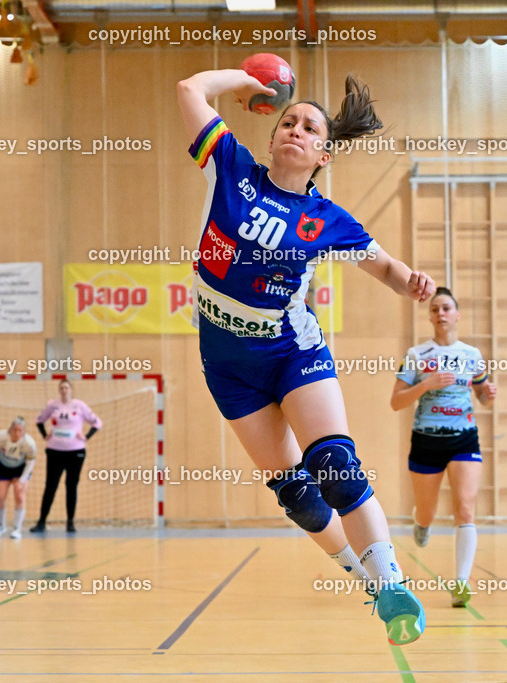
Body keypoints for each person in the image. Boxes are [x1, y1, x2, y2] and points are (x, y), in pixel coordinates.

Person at [176, 66, 434, 645]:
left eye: (310, 127)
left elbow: (386, 267)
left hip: (292, 352)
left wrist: (411, 283)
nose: (296, 128)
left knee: (334, 466)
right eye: (288, 120)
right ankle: (362, 577)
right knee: (296, 496)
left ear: (324, 153)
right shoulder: (232, 168)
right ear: (271, 136)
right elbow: (190, 90)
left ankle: (391, 579)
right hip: (226, 363)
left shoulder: (328, 220)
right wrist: (244, 79)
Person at [391, 287, 496, 608]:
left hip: (464, 438)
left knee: (465, 508)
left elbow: (481, 393)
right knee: (428, 511)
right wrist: (425, 385)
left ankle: (461, 583)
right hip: (426, 439)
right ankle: (421, 522)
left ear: (457, 314)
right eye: (435, 309)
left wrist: (487, 394)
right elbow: (396, 401)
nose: (441, 314)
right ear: (430, 316)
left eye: (447, 308)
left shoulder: (472, 355)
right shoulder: (417, 355)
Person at [29, 379, 102, 533]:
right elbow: (39, 420)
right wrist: (44, 435)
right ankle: (41, 522)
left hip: (75, 451)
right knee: (51, 486)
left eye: (66, 388)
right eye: (61, 388)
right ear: (59, 390)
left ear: (71, 390)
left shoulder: (80, 406)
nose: (64, 390)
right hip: (55, 451)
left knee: (71, 486)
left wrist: (86, 436)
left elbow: (97, 423)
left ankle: (70, 522)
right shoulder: (53, 405)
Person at [0, 417, 36, 539]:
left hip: (21, 468)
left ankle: (17, 529)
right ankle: (0, 526)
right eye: (15, 430)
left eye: (20, 430)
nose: (17, 433)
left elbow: (31, 463)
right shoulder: (1, 437)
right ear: (10, 429)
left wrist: (22, 480)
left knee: (19, 495)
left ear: (23, 432)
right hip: (3, 466)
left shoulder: (29, 444)